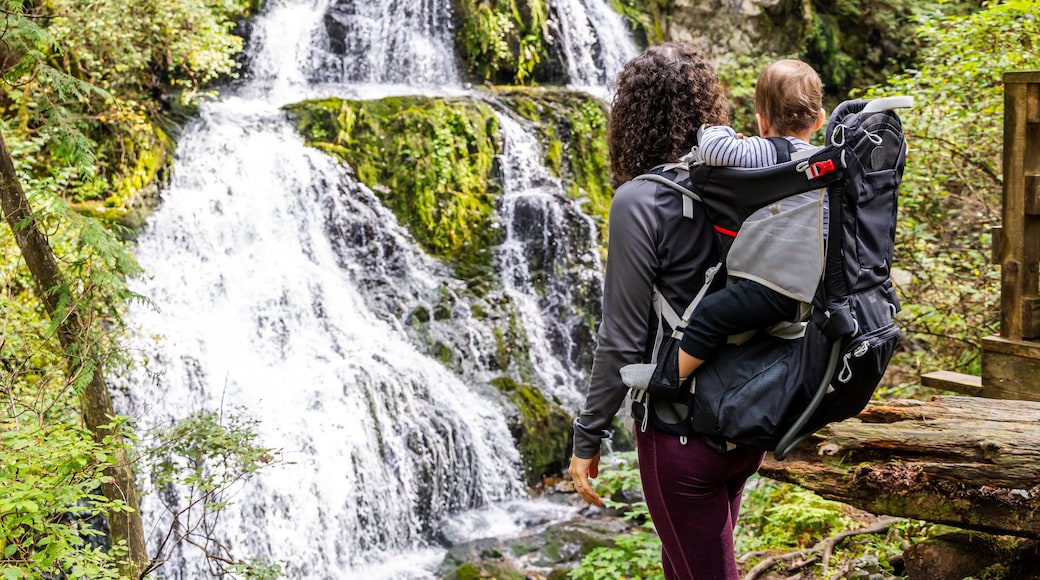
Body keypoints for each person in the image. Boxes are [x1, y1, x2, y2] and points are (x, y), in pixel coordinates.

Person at [569, 43, 765, 580]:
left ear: (631, 119)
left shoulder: (639, 200)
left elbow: (622, 339)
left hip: (679, 433)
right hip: (748, 418)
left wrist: (589, 437)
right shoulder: (745, 184)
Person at [677, 58, 827, 379]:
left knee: (709, 316)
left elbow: (715, 148)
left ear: (761, 122)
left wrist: (717, 128)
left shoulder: (765, 153)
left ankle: (669, 378)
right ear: (819, 121)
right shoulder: (829, 162)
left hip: (774, 287)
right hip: (821, 288)